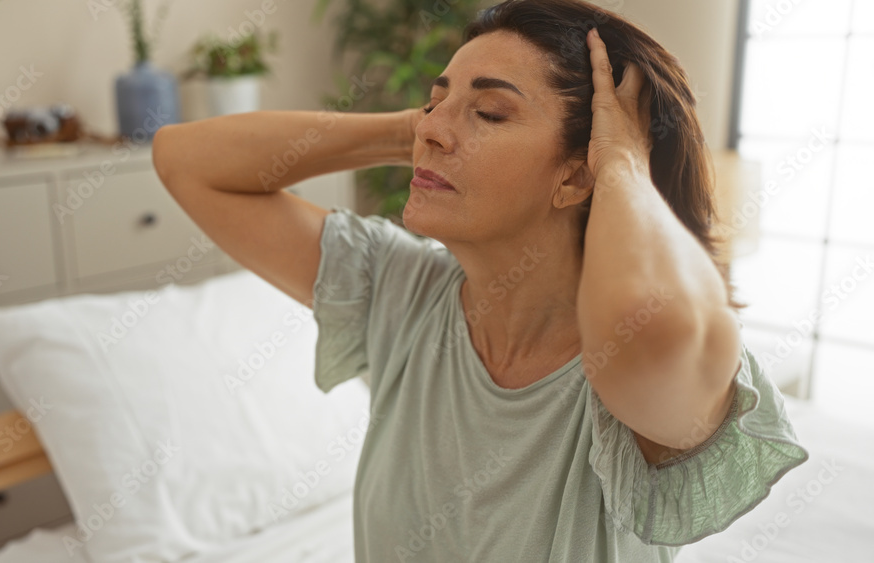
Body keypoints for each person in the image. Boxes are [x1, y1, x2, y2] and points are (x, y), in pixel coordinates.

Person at [151, 1, 809, 560]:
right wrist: (416, 130)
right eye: (434, 102)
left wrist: (623, 164)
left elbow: (654, 323)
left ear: (577, 175)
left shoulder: (628, 351)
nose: (434, 127)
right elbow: (184, 160)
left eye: (490, 113)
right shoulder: (399, 288)